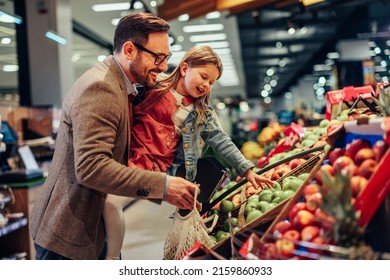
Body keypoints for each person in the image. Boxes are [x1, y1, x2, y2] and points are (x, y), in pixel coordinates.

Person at [29, 12, 201, 260]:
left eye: (167, 58)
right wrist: (163, 186)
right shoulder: (101, 88)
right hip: (68, 237)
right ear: (129, 50)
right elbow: (91, 167)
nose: (164, 66)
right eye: (158, 57)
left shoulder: (122, 86)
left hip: (89, 227)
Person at [103, 45, 274, 260]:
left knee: (111, 202)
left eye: (212, 82)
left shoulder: (201, 113)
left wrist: (247, 170)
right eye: (203, 76)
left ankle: (111, 259)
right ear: (184, 68)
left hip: (152, 168)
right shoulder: (154, 85)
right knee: (104, 203)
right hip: (122, 154)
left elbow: (222, 141)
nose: (206, 85)